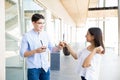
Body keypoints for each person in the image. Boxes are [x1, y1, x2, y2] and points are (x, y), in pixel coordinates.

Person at [20, 13, 62, 80]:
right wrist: (36, 51)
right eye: (39, 23)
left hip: (45, 68)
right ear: (33, 23)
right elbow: (22, 54)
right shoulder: (27, 36)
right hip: (33, 69)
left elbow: (51, 49)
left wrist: (59, 47)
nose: (42, 25)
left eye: (43, 23)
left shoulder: (46, 34)